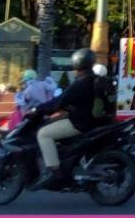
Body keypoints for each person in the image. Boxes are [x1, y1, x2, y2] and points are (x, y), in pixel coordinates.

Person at [29, 49, 108, 190]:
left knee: (43, 134)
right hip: (93, 121)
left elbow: (60, 101)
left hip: (80, 123)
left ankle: (55, 171)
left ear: (77, 64)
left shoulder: (81, 83)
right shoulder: (94, 79)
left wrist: (39, 109)